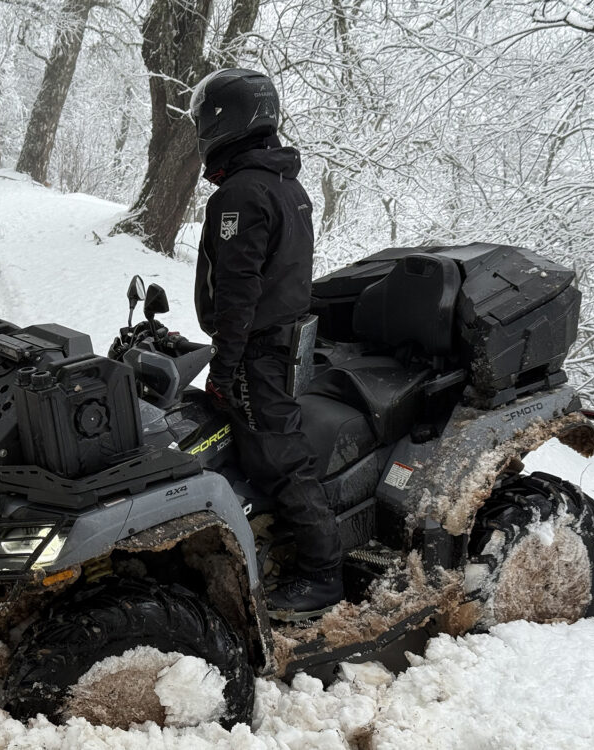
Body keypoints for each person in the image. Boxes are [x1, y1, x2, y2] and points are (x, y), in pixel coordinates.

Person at [190, 68, 343, 620]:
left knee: (279, 458)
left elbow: (239, 292)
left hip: (257, 350)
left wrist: (223, 368)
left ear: (225, 121)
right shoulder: (285, 184)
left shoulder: (241, 193)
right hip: (280, 342)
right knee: (257, 447)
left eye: (205, 119)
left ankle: (322, 573)